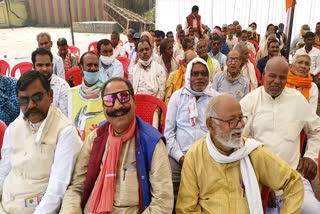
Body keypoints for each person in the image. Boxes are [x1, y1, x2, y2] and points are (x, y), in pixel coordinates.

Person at [60, 77, 173, 213]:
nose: (117, 105)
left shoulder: (152, 143)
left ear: (134, 101)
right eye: (109, 100)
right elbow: (76, 188)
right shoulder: (95, 138)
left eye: (124, 97)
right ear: (103, 107)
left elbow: (163, 202)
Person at [176, 94, 304, 213]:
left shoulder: (252, 152)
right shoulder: (195, 156)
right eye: (231, 121)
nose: (240, 125)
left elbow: (293, 182)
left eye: (241, 118)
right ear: (211, 125)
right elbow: (186, 209)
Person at [240, 56, 320, 213]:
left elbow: (316, 129)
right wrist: (260, 185)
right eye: (272, 76)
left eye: (282, 77)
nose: (277, 81)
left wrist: (310, 155)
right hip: (258, 181)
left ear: (287, 78)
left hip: (293, 179)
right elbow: (239, 143)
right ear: (263, 75)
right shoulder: (250, 101)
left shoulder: (297, 100)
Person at [0, 71, 82, 213]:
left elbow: (57, 190)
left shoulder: (65, 132)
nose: (31, 105)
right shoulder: (14, 128)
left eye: (37, 97)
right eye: (24, 100)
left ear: (50, 96)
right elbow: (4, 171)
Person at [165, 57, 219, 204]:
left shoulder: (216, 99)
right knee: (169, 187)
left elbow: (220, 134)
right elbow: (168, 134)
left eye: (203, 74)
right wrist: (181, 157)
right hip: (180, 157)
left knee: (209, 194)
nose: (200, 77)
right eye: (195, 74)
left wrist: (207, 157)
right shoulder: (177, 97)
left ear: (209, 76)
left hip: (209, 157)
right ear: (189, 76)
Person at [67, 51, 105, 141]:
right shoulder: (70, 94)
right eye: (89, 65)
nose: (93, 68)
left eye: (96, 65)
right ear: (81, 68)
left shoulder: (107, 92)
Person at [32, 48, 70, 116]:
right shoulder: (29, 86)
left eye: (47, 65)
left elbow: (65, 116)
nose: (44, 69)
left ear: (52, 65)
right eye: (40, 65)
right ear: (34, 67)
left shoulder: (62, 86)